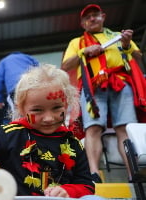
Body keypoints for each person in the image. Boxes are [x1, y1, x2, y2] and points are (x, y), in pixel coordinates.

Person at [0, 64, 96, 198]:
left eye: (56, 108)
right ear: (21, 109)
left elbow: (87, 186)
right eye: (37, 110)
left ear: (67, 105)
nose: (48, 118)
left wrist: (68, 191)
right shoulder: (10, 134)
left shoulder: (73, 143)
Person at [61, 4, 146, 183]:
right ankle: (94, 174)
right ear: (83, 23)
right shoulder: (77, 42)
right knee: (93, 128)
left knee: (125, 128)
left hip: (121, 84)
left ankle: (133, 173)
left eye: (95, 15)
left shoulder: (118, 36)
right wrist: (84, 52)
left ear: (103, 17)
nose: (92, 19)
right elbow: (66, 66)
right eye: (87, 17)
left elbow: (138, 59)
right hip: (92, 88)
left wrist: (127, 43)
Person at [0, 52, 39, 121]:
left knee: (18, 112)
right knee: (34, 109)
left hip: (15, 89)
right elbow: (39, 70)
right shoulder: (28, 57)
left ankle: (22, 129)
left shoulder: (4, 61)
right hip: (32, 86)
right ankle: (34, 125)